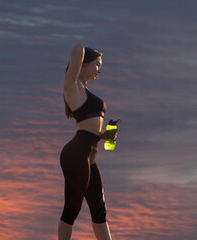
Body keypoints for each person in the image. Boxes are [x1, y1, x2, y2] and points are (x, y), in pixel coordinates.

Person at [58, 42, 113, 240]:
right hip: (77, 154)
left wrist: (103, 135)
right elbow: (77, 49)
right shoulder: (72, 85)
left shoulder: (85, 92)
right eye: (97, 64)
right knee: (72, 207)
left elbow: (88, 126)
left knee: (100, 209)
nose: (100, 69)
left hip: (91, 154)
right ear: (83, 63)